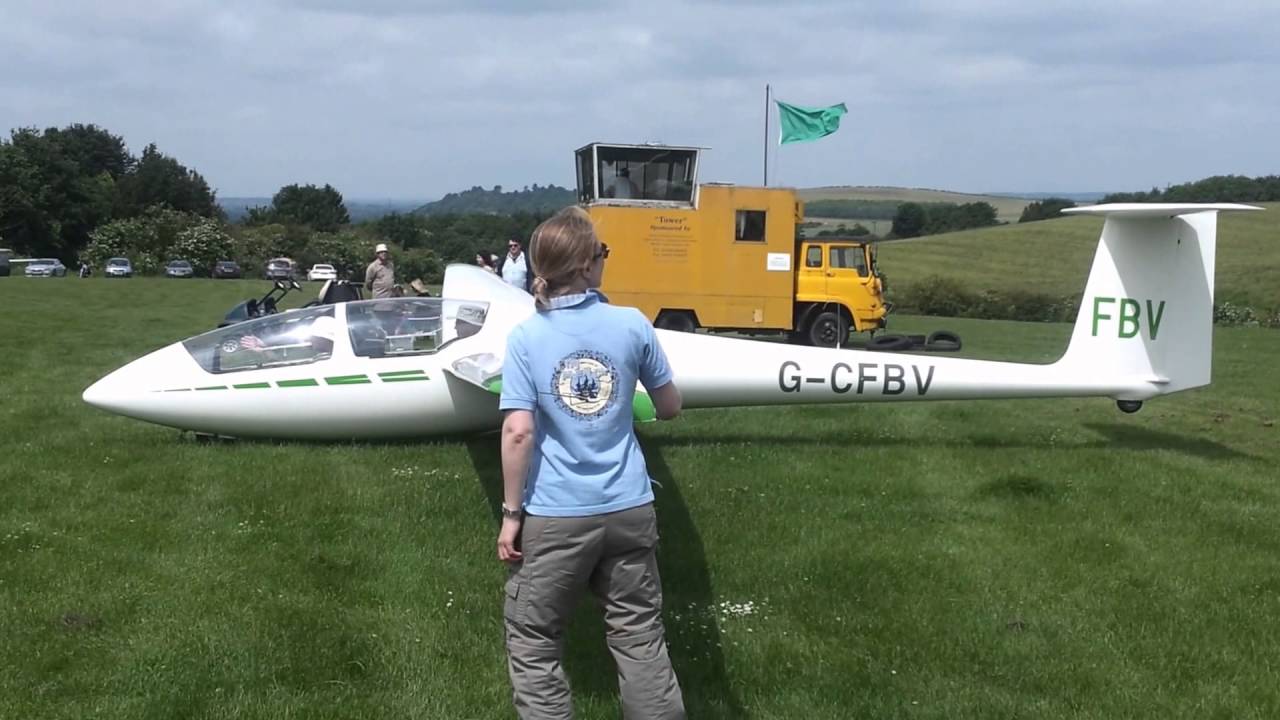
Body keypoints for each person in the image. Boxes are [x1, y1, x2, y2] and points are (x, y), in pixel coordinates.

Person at [496, 206, 685, 719]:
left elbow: (518, 431)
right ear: (584, 264)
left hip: (557, 513)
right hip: (629, 506)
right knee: (639, 635)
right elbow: (670, 406)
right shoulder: (631, 324)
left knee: (534, 637)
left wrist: (512, 515)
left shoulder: (526, 337)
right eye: (602, 252)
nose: (605, 259)